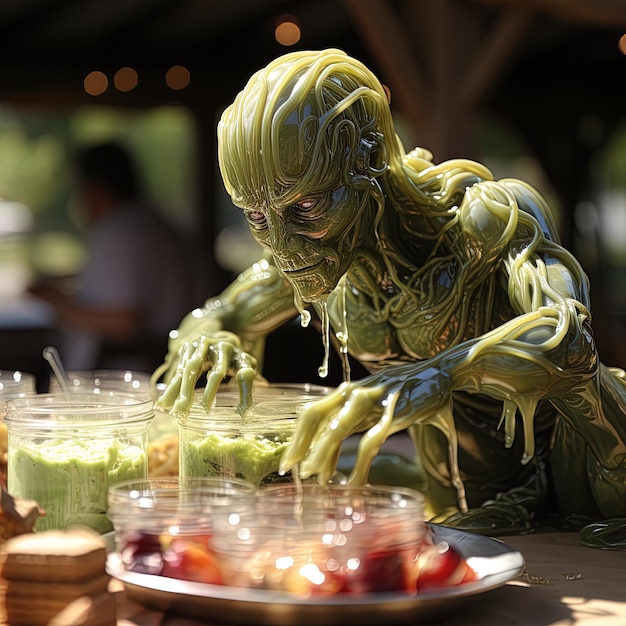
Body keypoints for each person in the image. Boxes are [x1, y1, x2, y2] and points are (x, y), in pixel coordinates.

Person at [153, 49, 626, 546]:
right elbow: (218, 314)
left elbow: (568, 339)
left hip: (591, 482)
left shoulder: (485, 220)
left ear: (369, 158)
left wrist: (436, 374)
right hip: (467, 512)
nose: (281, 245)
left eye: (307, 205)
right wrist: (208, 341)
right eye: (256, 217)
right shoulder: (325, 258)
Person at [29, 141, 199, 373]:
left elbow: (123, 323)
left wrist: (55, 300)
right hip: (157, 371)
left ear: (94, 186)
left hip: (118, 383)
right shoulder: (152, 223)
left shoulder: (119, 232)